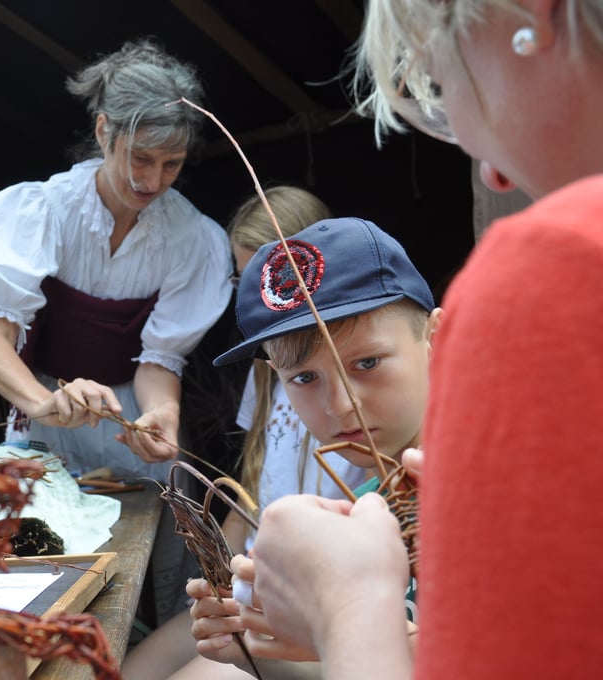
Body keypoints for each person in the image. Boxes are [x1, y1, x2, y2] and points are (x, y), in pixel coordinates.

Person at [235, 2, 603, 676]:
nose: (490, 172)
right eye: (303, 377)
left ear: (532, 17)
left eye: (439, 79)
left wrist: (346, 606)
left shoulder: (561, 260)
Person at [121, 188, 367, 680]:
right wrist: (217, 575)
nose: (261, 295)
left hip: (304, 608)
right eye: (244, 278)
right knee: (124, 670)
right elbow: (252, 492)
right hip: (250, 591)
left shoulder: (355, 391)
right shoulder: (266, 369)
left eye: (275, 275)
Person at [0, 38, 233, 483]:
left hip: (128, 419)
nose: (153, 180)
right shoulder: (45, 211)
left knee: (156, 539)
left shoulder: (191, 236)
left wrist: (162, 412)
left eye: (172, 164)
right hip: (46, 410)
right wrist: (42, 404)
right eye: (141, 158)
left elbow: (160, 358)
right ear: (103, 132)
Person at [187, 217, 440, 678]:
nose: (342, 406)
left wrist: (342, 616)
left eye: (367, 362)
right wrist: (257, 642)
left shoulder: (504, 486)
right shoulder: (370, 507)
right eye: (304, 378)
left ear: (436, 340)